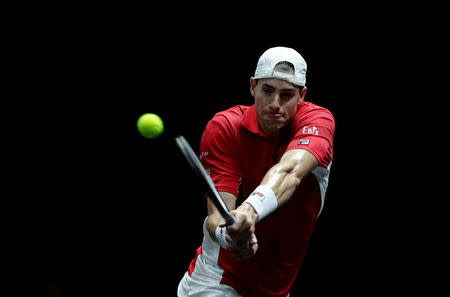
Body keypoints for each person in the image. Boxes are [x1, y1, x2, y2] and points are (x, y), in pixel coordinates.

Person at [177, 46, 335, 297]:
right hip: (217, 278)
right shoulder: (225, 127)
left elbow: (290, 171)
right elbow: (217, 214)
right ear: (252, 86)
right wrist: (227, 234)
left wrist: (249, 212)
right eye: (267, 90)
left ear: (302, 95)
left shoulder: (318, 122)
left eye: (286, 95)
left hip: (277, 287)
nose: (275, 104)